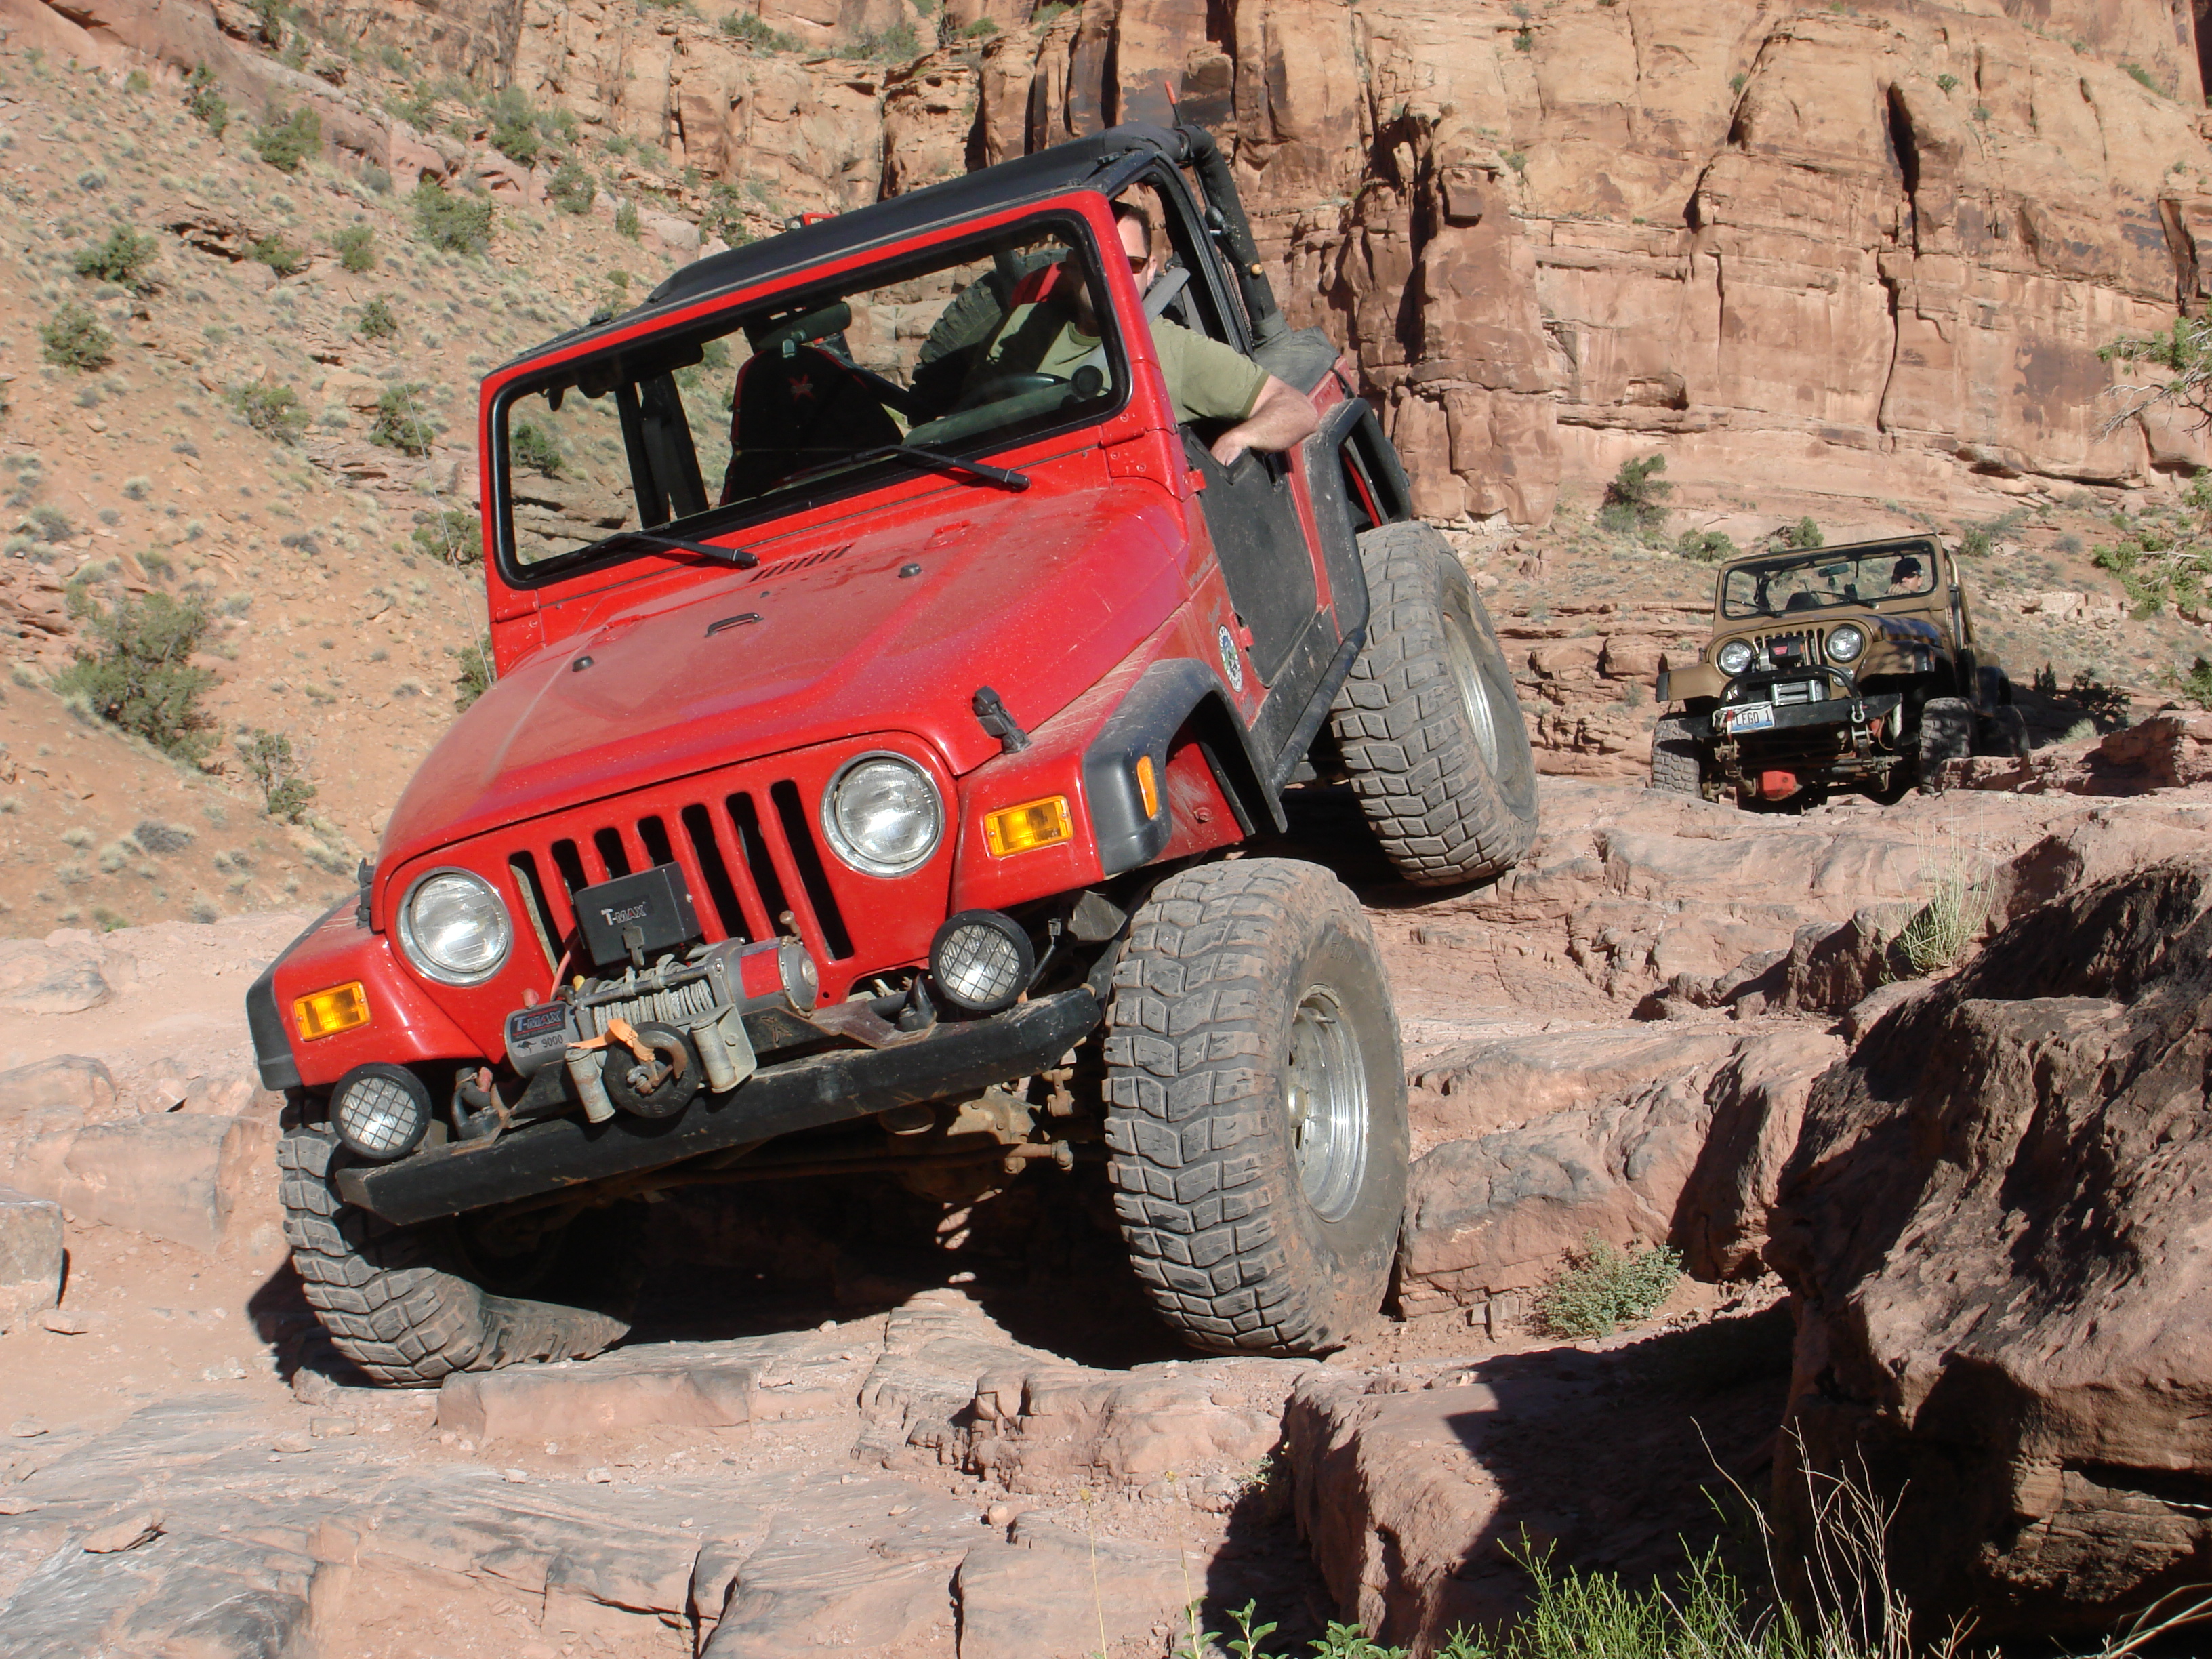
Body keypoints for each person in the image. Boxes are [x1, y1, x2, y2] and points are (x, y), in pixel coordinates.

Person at [970, 197, 1319, 468]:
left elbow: (1295, 408)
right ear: (1073, 267)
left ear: (1150, 271)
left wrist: (1237, 440)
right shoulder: (1021, 328)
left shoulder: (1173, 349)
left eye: (1130, 263)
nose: (1111, 275)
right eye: (1095, 261)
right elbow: (969, 414)